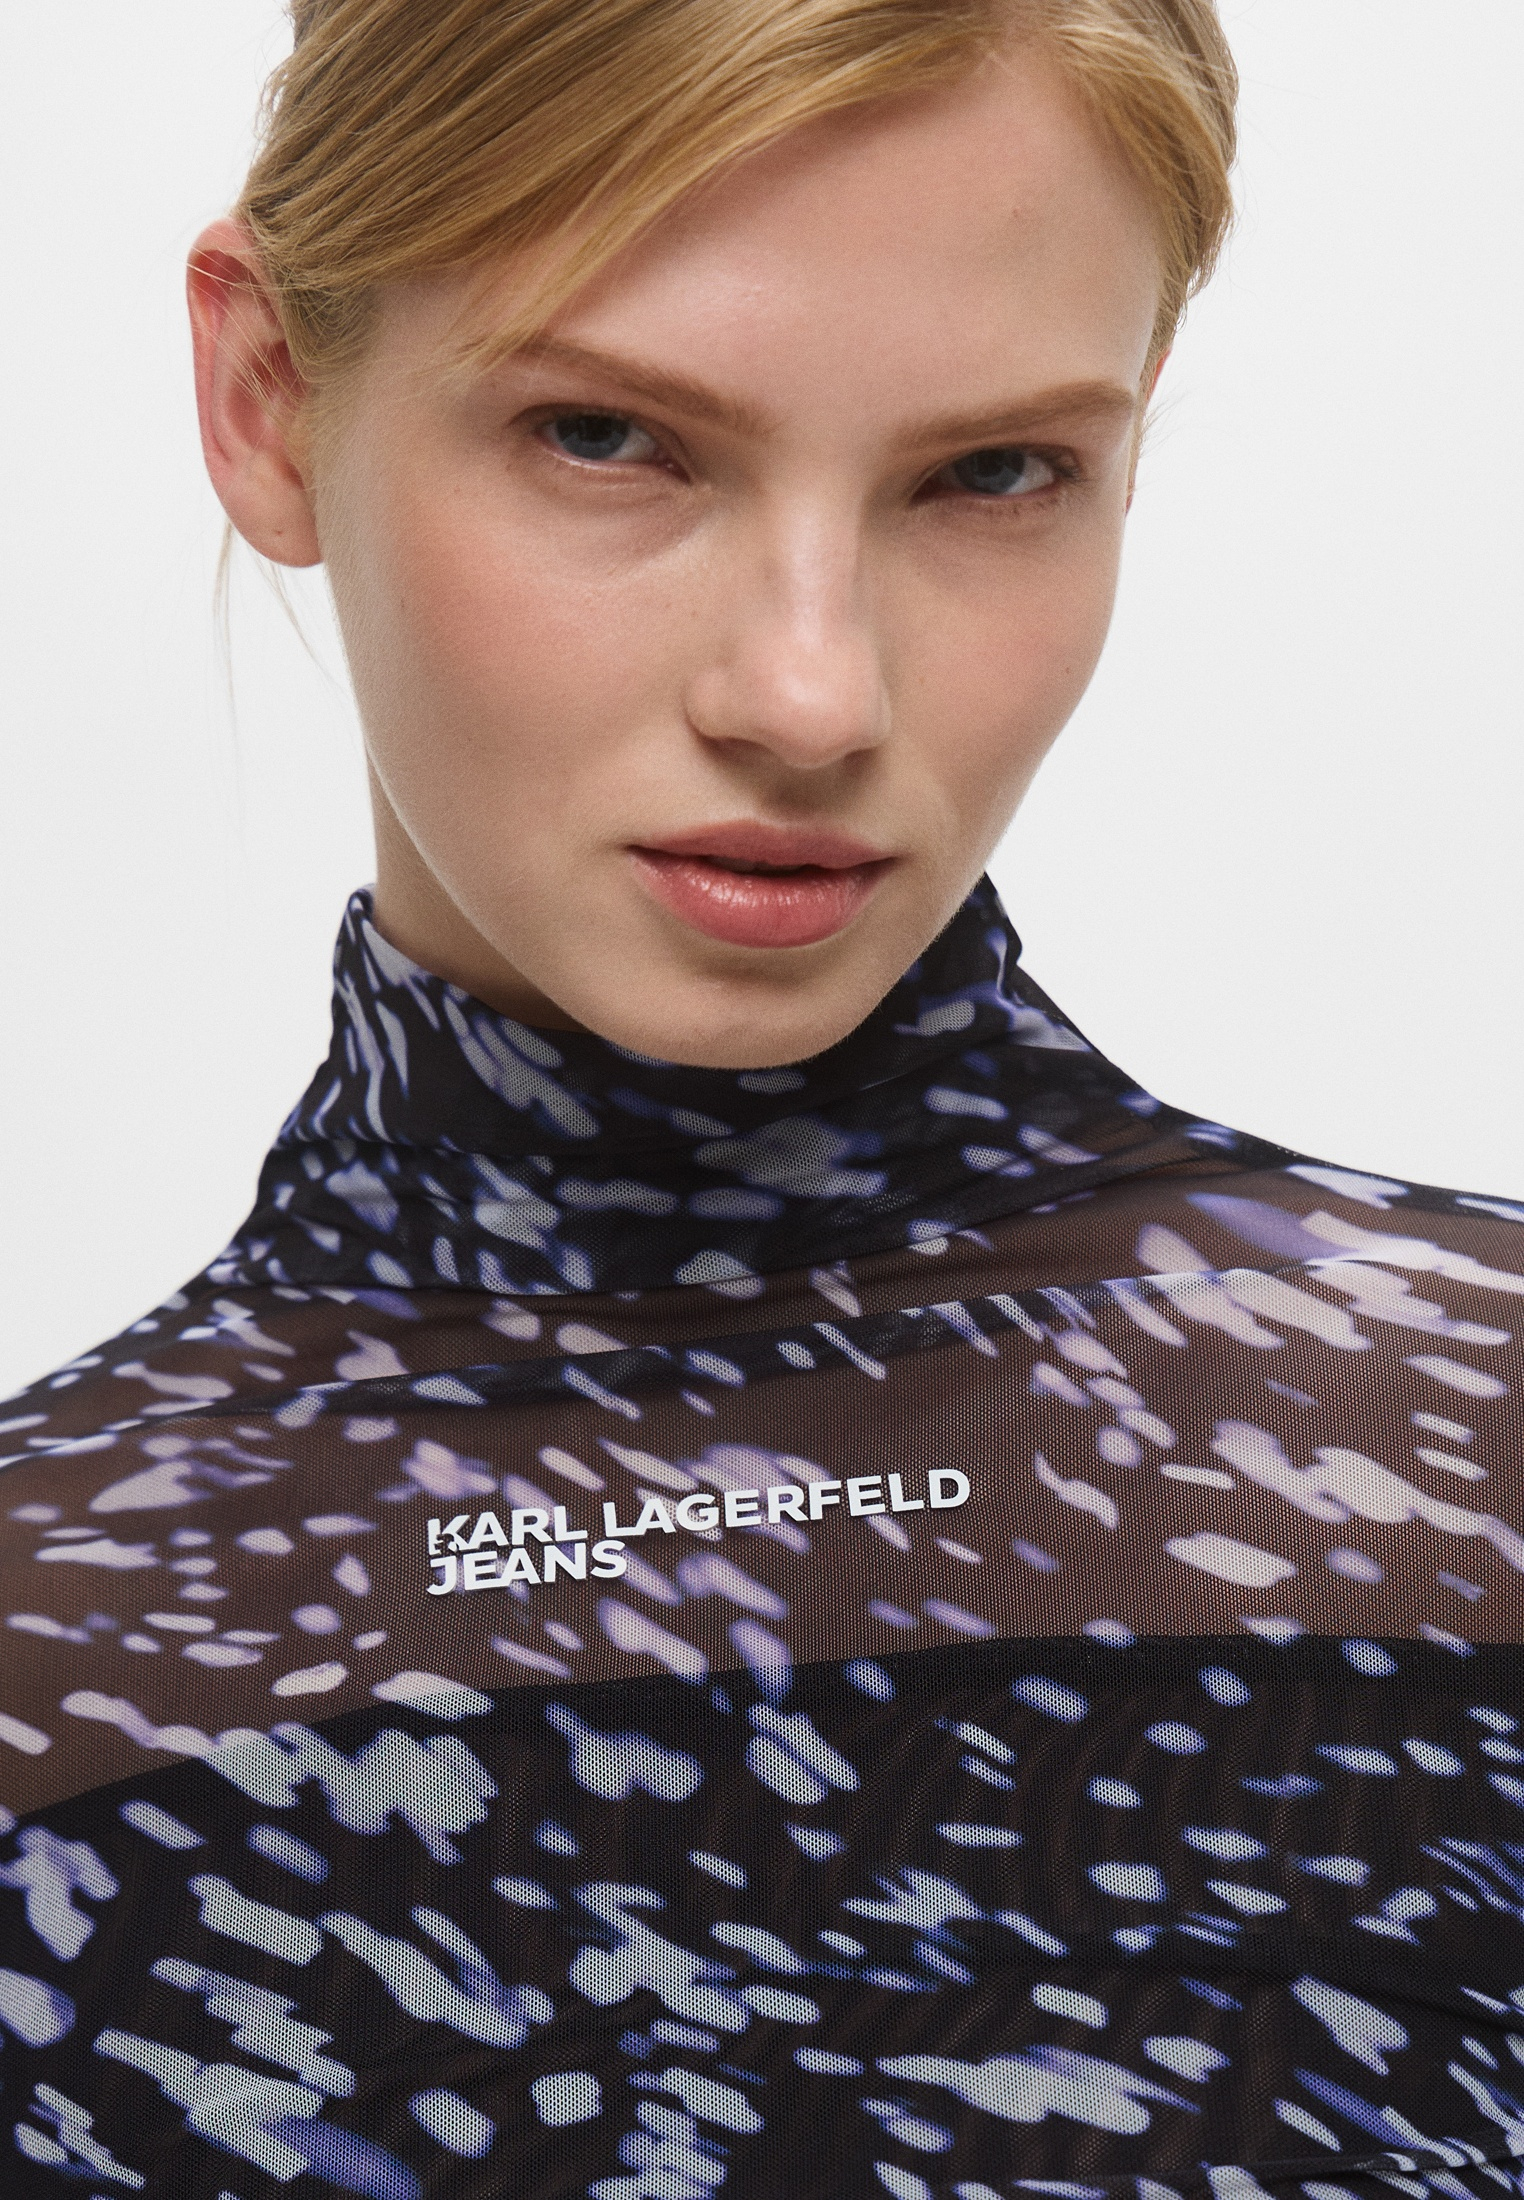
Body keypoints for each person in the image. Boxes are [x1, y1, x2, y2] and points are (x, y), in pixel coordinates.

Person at [4, 2, 1523, 2194]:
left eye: (994, 474)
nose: (811, 694)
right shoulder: (43, 1652)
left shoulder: (1475, 1462)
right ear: (266, 397)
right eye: (612, 437)